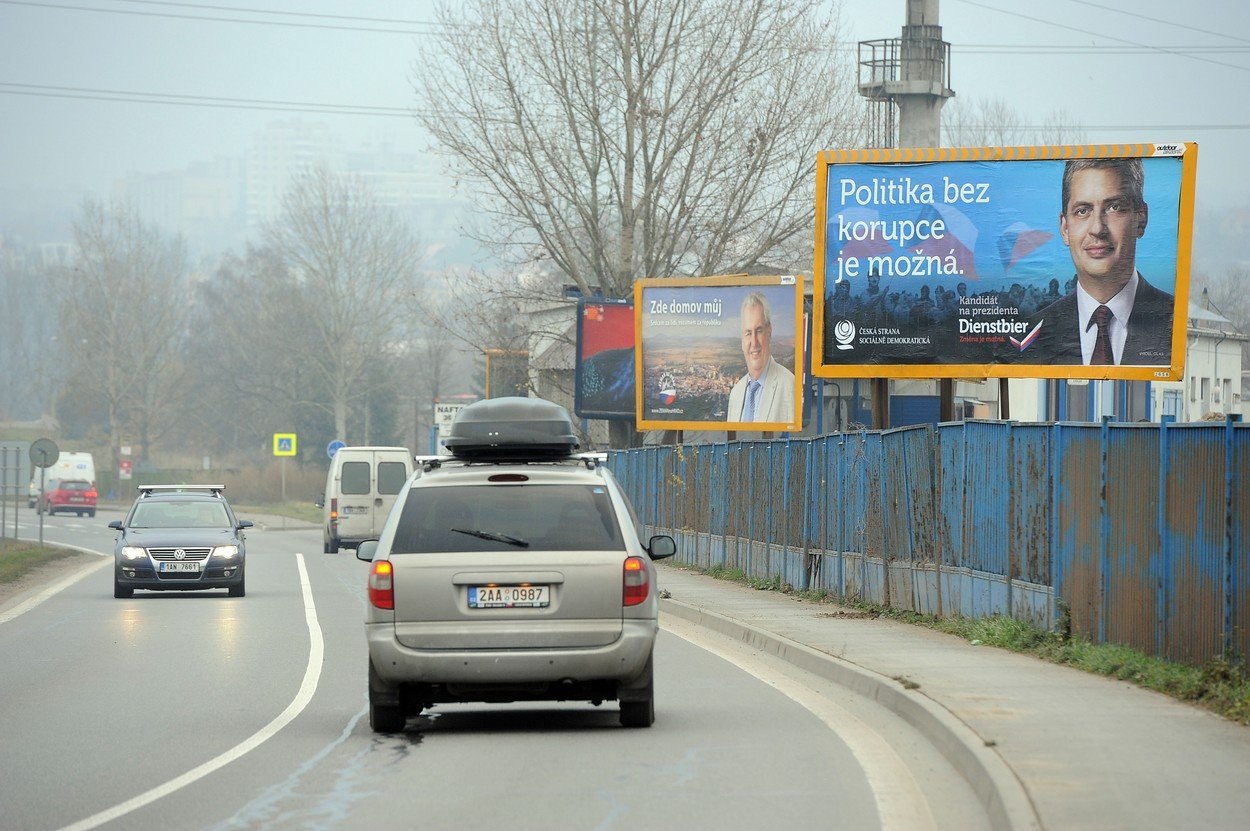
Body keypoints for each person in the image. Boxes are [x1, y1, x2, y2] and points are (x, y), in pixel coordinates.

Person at [1023, 157, 1174, 366]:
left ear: (1141, 219)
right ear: (1065, 229)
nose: (1097, 228)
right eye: (1082, 211)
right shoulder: (1030, 337)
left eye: (1114, 207)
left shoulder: (1175, 323)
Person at [726, 291, 795, 423]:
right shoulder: (736, 393)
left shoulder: (789, 385)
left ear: (769, 332)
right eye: (748, 333)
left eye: (758, 331)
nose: (754, 342)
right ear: (742, 339)